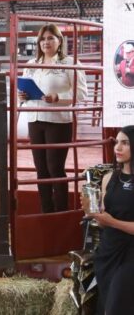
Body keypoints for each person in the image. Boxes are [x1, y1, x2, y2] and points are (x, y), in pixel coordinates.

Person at [17, 24, 87, 213]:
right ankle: (46, 210)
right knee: (41, 169)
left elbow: (82, 93)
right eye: (42, 38)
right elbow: (22, 91)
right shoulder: (31, 64)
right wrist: (22, 96)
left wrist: (58, 97)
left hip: (58, 121)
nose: (45, 42)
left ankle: (61, 211)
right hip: (35, 119)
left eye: (50, 38)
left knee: (55, 167)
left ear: (60, 40)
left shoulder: (70, 63)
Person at [84, 126, 134, 314]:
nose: (117, 148)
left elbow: (111, 221)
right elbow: (103, 222)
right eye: (117, 142)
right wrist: (94, 213)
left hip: (130, 253)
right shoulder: (108, 178)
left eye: (125, 143)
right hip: (108, 251)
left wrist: (111, 221)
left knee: (115, 307)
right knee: (106, 306)